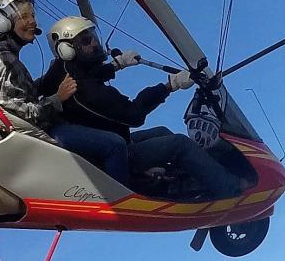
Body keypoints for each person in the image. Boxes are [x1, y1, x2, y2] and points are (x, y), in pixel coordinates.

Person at [39, 15, 246, 201]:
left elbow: (89, 74)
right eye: (86, 41)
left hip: (97, 143)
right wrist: (169, 86)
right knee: (179, 144)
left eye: (93, 36)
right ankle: (231, 190)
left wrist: (117, 64)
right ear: (67, 50)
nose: (94, 43)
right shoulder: (83, 90)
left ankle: (183, 182)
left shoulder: (61, 70)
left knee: (161, 132)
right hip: (109, 158)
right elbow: (133, 114)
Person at [0, 0, 132, 185]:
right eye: (24, 17)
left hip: (40, 129)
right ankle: (127, 200)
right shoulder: (5, 61)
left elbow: (20, 94)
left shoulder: (5, 57)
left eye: (33, 16)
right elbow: (24, 113)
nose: (32, 22)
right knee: (115, 145)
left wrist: (115, 65)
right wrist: (58, 98)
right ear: (2, 22)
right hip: (44, 132)